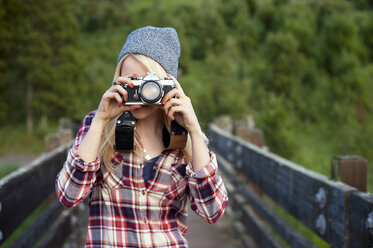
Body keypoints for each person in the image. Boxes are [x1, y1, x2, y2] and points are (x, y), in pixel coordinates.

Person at [56, 26, 228, 248]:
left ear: (167, 85)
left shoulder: (187, 139)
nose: (141, 92)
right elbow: (68, 196)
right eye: (132, 82)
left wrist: (194, 130)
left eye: (149, 83)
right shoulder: (97, 127)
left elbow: (212, 212)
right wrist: (100, 120)